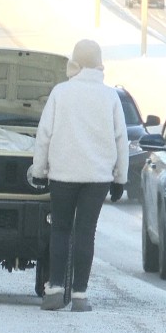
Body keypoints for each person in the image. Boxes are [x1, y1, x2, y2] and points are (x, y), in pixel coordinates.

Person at [32, 39, 129, 312]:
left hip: (62, 174)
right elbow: (121, 139)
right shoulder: (110, 97)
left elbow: (44, 135)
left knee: (60, 230)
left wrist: (39, 171)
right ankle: (80, 296)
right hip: (97, 178)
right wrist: (120, 178)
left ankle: (55, 290)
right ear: (99, 64)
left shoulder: (60, 93)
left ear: (75, 62)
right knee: (86, 233)